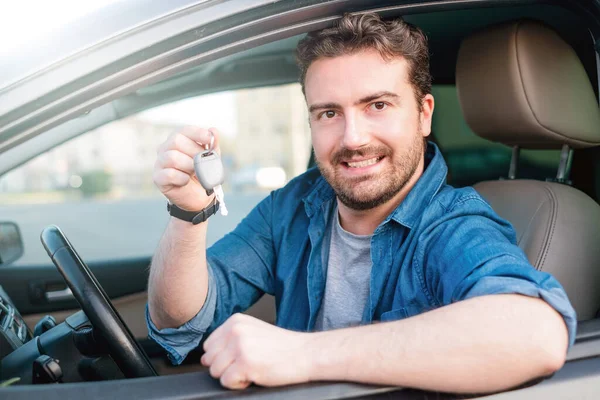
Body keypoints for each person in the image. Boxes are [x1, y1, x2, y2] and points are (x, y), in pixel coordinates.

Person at [147, 13, 576, 393]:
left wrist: (304, 355)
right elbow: (181, 322)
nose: (353, 139)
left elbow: (536, 334)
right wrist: (189, 213)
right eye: (329, 113)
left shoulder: (453, 224)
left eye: (377, 105)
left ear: (424, 114)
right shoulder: (294, 206)